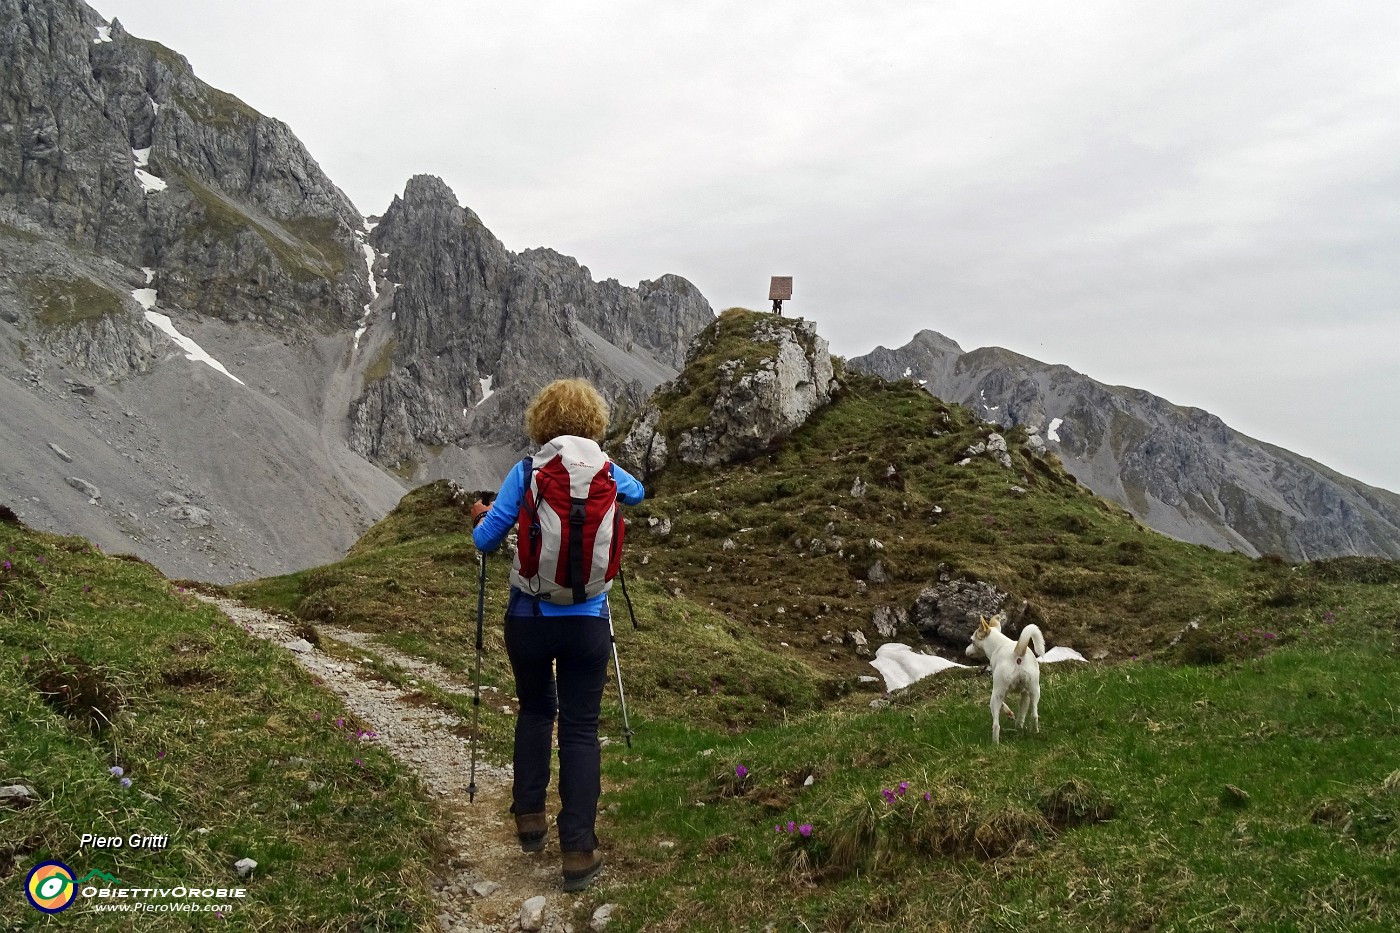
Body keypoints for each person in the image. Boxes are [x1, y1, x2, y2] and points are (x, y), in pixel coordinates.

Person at [471, 378, 644, 893]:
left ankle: (528, 818)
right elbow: (635, 494)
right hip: (588, 621)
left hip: (529, 616)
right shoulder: (611, 472)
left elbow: (485, 539)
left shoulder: (526, 472)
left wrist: (482, 516)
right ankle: (579, 850)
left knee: (535, 709)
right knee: (580, 727)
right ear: (594, 423)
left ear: (541, 422)